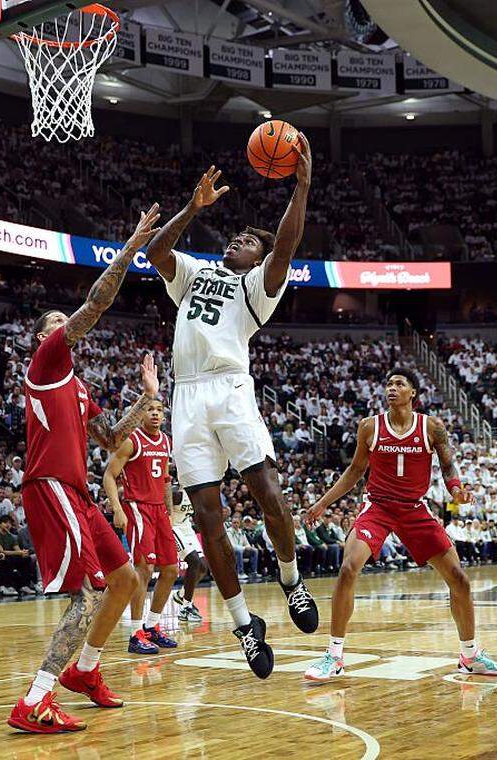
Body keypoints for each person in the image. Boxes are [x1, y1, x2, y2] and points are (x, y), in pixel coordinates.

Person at [144, 147, 319, 678]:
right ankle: (245, 624)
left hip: (230, 386)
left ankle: (292, 582)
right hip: (187, 395)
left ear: (259, 259)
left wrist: (301, 189)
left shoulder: (256, 288)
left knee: (268, 492)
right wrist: (193, 208)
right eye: (234, 236)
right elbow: (155, 251)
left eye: (247, 241)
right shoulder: (195, 271)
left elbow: (285, 246)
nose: (235, 241)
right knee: (206, 519)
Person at [9, 206, 162, 735]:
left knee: (124, 579)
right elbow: (95, 303)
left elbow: (113, 436)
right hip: (49, 488)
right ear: (43, 339)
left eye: (61, 323)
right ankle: (34, 699)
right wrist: (132, 246)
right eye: (54, 323)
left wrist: (148, 399)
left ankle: (86, 671)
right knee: (89, 595)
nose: (61, 326)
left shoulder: (78, 386)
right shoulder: (47, 362)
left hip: (79, 495)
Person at [301, 369, 497, 682]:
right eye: (388, 384)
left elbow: (448, 464)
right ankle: (334, 656)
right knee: (348, 568)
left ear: (413, 392)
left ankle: (470, 656)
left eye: (399, 384)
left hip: (414, 508)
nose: (392, 388)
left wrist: (456, 489)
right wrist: (322, 503)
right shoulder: (369, 427)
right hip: (379, 507)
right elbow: (355, 471)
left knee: (460, 580)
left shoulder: (432, 426)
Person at [104, 400, 179, 655]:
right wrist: (117, 509)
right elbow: (109, 476)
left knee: (171, 569)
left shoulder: (166, 442)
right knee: (144, 568)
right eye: (150, 409)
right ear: (141, 414)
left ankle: (152, 626)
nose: (155, 413)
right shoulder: (131, 440)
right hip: (137, 508)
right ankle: (135, 633)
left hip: (159, 510)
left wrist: (169, 511)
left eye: (159, 409)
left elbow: (166, 479)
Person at [167, 487, 207, 622]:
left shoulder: (198, 493)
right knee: (194, 562)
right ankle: (186, 608)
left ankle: (182, 594)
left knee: (203, 567)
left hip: (186, 527)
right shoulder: (176, 494)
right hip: (174, 527)